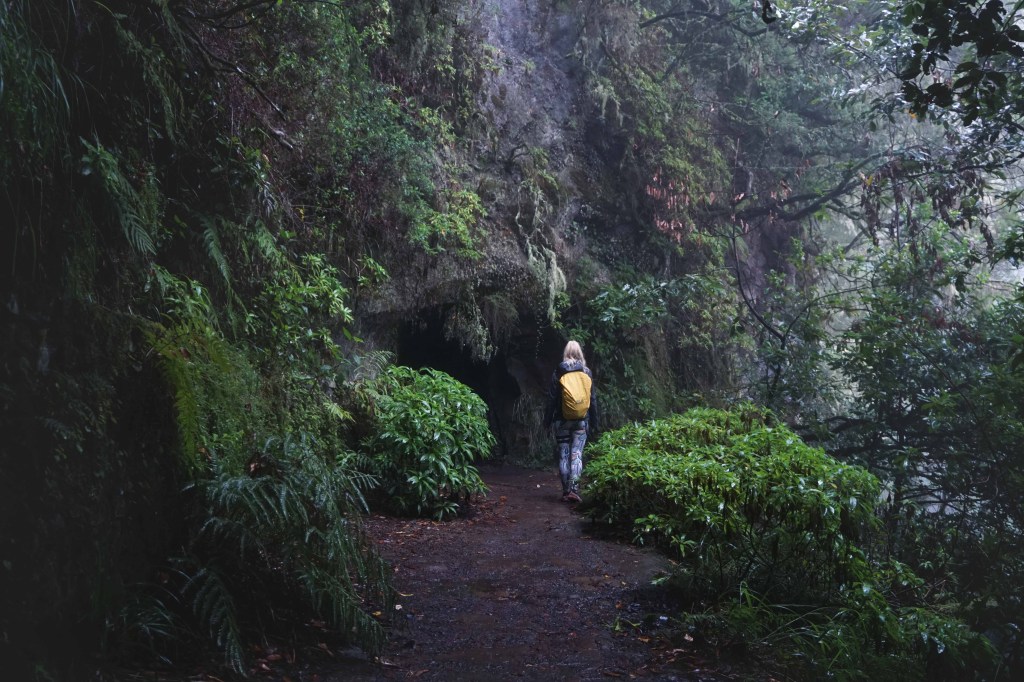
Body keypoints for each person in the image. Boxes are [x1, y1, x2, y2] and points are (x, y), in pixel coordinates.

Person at [544, 340, 598, 503]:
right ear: (580, 353)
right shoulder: (587, 372)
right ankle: (575, 489)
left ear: (566, 353)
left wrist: (547, 421)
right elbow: (593, 400)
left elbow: (552, 398)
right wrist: (595, 422)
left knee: (564, 454)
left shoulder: (559, 372)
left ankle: (566, 492)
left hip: (562, 421)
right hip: (582, 421)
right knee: (577, 454)